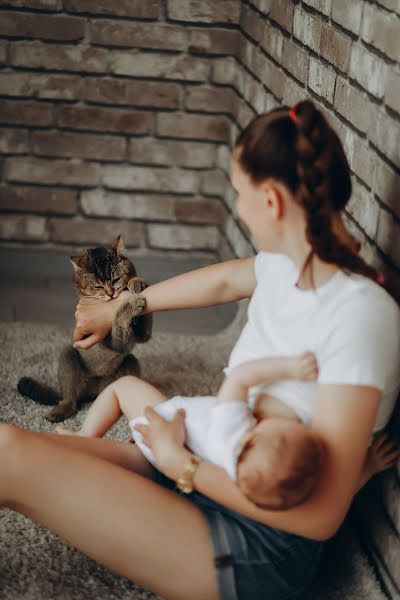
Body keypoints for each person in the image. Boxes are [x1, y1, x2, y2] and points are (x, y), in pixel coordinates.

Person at [2, 99, 400, 600]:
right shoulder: (283, 264)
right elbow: (224, 281)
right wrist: (125, 305)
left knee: (9, 458)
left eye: (238, 192)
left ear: (272, 201)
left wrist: (181, 465)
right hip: (202, 460)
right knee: (10, 445)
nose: (237, 206)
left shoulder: (362, 314)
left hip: (255, 544)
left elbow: (319, 518)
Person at [55, 352, 326, 510]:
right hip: (168, 466)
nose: (295, 422)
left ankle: (84, 438)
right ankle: (106, 451)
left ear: (251, 437)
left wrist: (288, 368)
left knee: (123, 386)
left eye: (292, 427)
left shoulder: (231, 432)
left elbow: (239, 379)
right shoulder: (240, 478)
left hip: (162, 420)